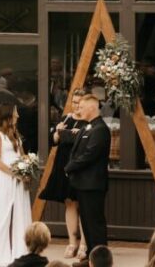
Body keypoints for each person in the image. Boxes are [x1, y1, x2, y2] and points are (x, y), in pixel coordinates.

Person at [64, 93, 111, 266]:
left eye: (82, 107)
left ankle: (100, 260)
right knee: (87, 223)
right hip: (82, 183)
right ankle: (91, 256)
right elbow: (76, 150)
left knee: (95, 224)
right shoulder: (87, 127)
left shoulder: (100, 130)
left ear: (92, 107)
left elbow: (89, 155)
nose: (79, 110)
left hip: (93, 184)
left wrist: (69, 167)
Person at [39, 88, 87, 259]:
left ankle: (84, 244)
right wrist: (57, 133)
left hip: (80, 168)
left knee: (83, 204)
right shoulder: (66, 118)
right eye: (74, 103)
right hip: (63, 164)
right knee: (69, 203)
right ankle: (72, 243)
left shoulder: (89, 122)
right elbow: (53, 141)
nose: (76, 107)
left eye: (79, 104)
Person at [0, 103, 32, 267]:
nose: (18, 116)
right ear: (8, 115)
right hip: (5, 178)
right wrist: (15, 174)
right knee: (3, 214)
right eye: (15, 113)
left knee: (21, 211)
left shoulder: (15, 135)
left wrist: (28, 168)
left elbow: (22, 156)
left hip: (19, 179)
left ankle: (20, 250)